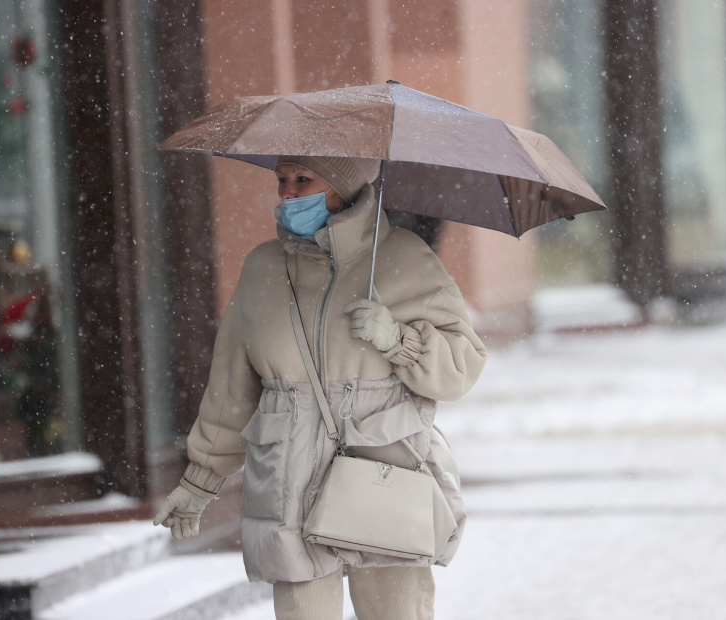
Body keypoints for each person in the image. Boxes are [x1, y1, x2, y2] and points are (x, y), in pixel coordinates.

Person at [154, 156, 487, 620]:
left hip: (384, 468)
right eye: (281, 180)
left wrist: (399, 341)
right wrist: (200, 482)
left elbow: (462, 367)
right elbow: (232, 388)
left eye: (303, 179)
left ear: (345, 186)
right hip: (289, 474)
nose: (287, 192)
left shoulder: (405, 258)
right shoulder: (263, 268)